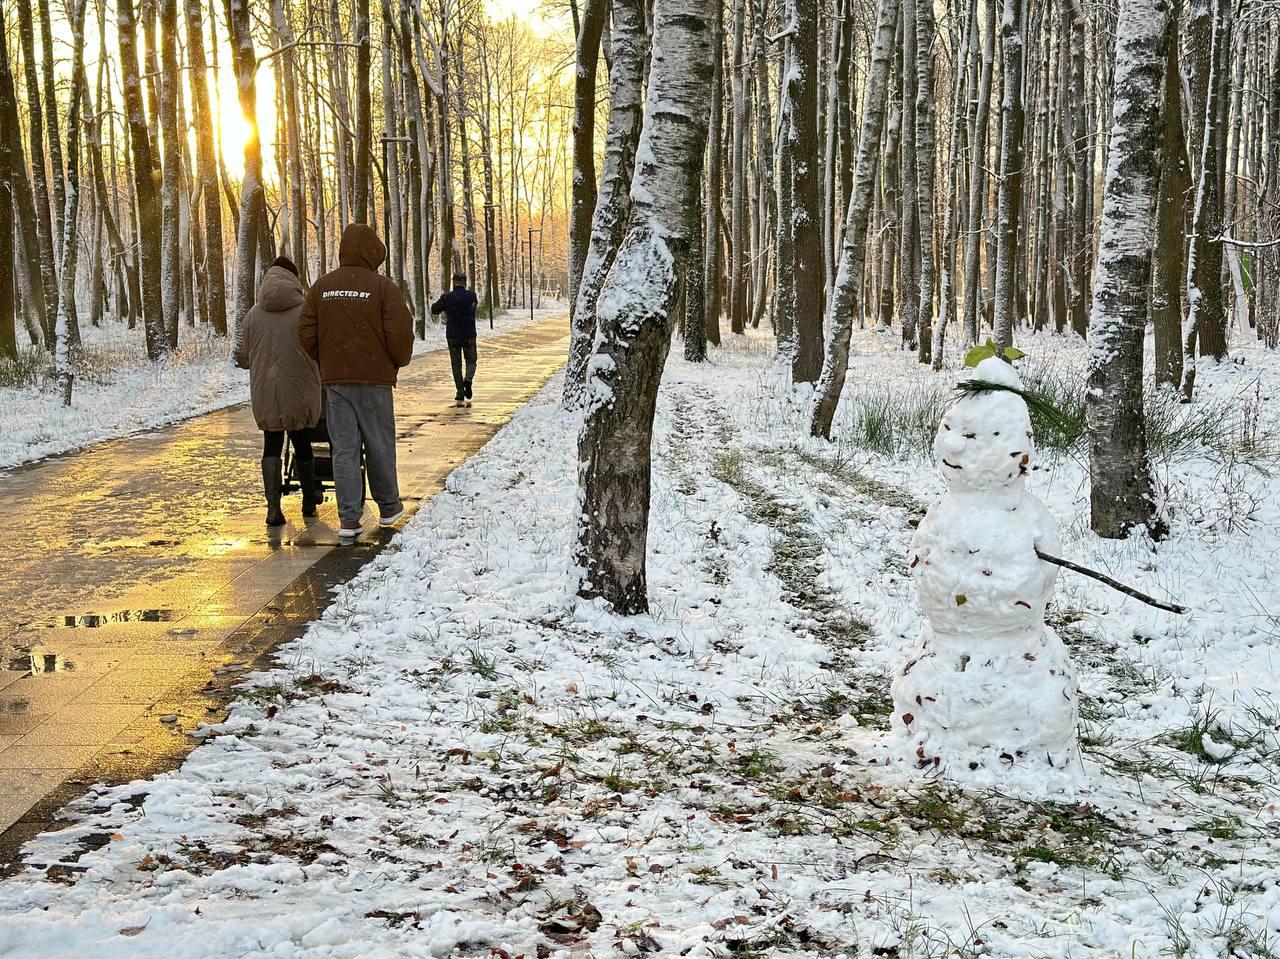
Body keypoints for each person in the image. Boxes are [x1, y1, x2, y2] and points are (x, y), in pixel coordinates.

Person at [298, 224, 414, 541]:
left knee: (344, 451)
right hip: (374, 382)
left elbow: (305, 333)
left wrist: (327, 360)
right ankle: (388, 507)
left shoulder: (322, 288)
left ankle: (349, 520)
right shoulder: (383, 288)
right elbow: (401, 335)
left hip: (336, 383)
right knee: (379, 445)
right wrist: (395, 361)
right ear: (372, 252)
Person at [234, 256, 322, 527]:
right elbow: (317, 347)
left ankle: (273, 508)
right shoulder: (306, 311)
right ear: (294, 279)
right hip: (300, 388)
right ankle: (309, 498)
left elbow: (245, 354)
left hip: (266, 390)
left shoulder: (253, 314)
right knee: (302, 440)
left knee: (271, 443)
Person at [431, 273, 479, 407]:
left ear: (453, 282)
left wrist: (446, 308)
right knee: (471, 360)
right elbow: (473, 308)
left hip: (453, 335)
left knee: (456, 364)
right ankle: (468, 380)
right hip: (469, 334)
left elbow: (434, 309)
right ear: (465, 282)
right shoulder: (472, 296)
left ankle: (459, 392)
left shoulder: (447, 297)